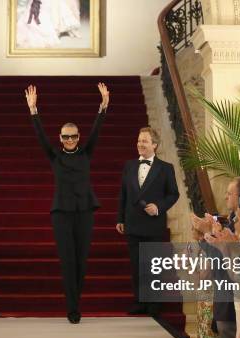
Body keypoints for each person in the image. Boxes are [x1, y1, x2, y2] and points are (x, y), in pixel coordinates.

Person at [25, 83, 110, 324]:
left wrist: (103, 106)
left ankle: (76, 301)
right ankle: (72, 308)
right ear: (60, 138)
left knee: (81, 261)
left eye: (74, 136)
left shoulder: (86, 152)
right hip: (61, 213)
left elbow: (97, 130)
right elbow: (40, 136)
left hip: (85, 212)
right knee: (67, 261)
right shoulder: (55, 156)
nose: (70, 139)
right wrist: (33, 111)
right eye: (66, 136)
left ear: (78, 137)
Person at [116, 127, 179, 317]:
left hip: (153, 224)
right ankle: (140, 302)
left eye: (144, 141)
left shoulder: (166, 168)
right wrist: (120, 218)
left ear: (154, 145)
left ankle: (154, 305)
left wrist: (158, 207)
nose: (140, 144)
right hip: (133, 223)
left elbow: (173, 194)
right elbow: (123, 194)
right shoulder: (129, 165)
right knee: (136, 265)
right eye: (138, 140)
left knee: (153, 265)